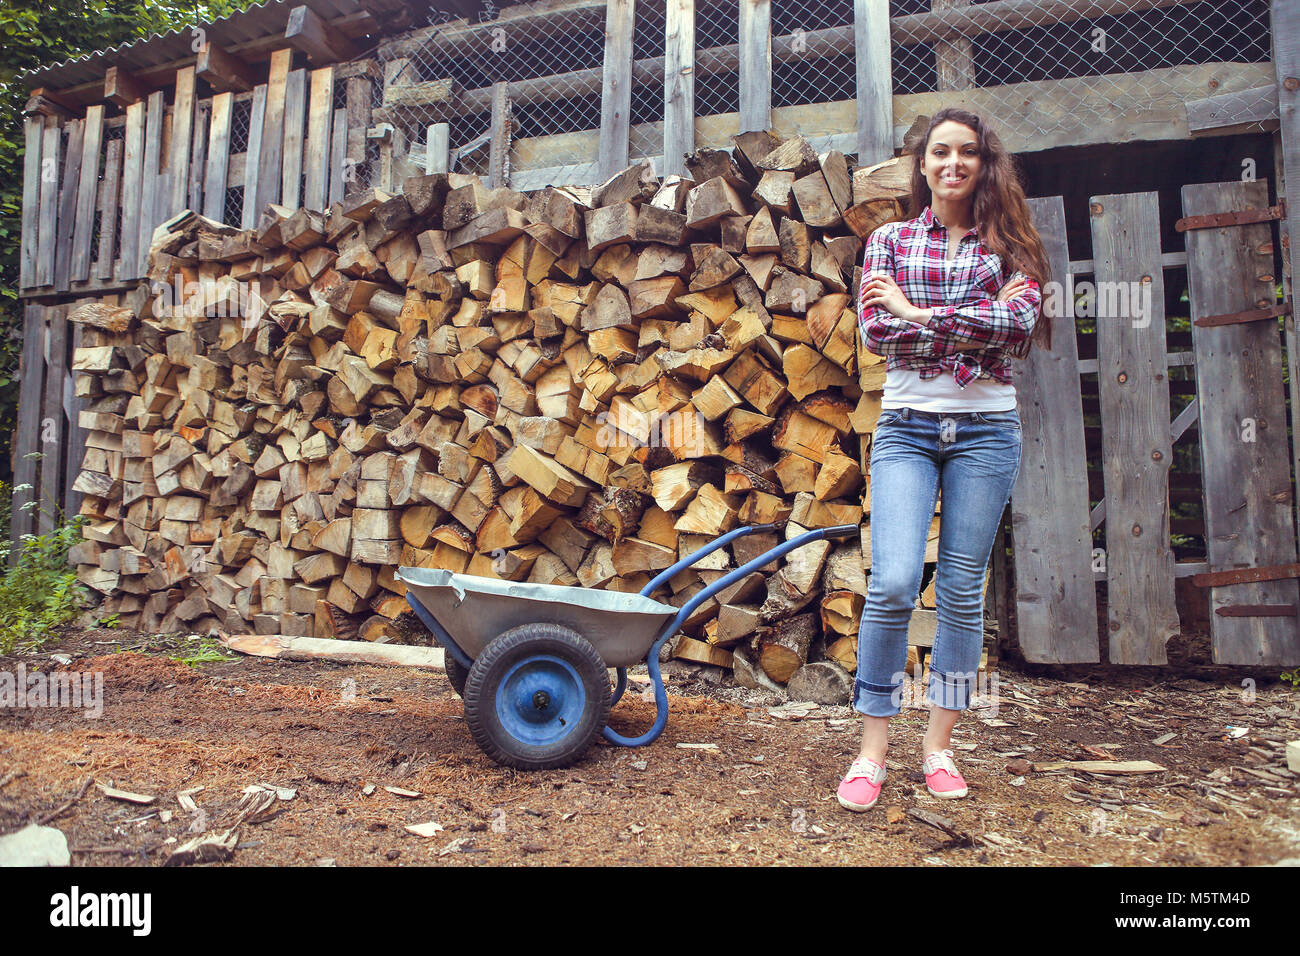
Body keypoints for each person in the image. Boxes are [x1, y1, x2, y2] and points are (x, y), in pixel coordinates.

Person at [838, 107, 1052, 811]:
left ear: (983, 164)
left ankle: (938, 748)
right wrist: (958, 325)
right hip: (907, 427)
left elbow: (1016, 327)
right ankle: (871, 752)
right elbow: (877, 332)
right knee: (894, 581)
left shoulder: (1012, 246)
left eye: (967, 152)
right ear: (922, 164)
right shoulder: (889, 239)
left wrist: (920, 313)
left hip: (988, 431)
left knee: (961, 592)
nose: (953, 163)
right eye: (940, 152)